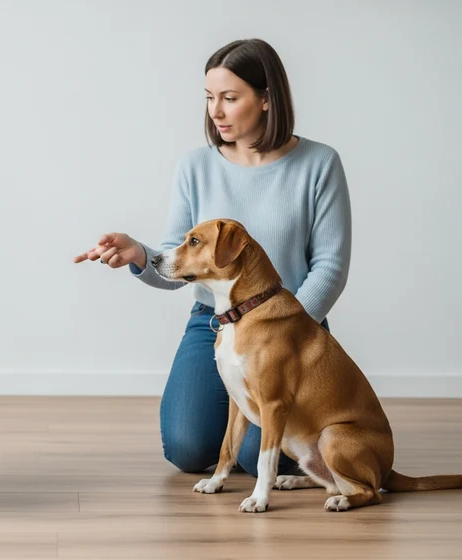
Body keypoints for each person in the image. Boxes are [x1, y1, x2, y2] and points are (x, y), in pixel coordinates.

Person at [74, 38, 351, 478]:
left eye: (229, 98)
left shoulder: (319, 163)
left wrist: (286, 326)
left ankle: (301, 445)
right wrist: (140, 254)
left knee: (250, 455)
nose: (215, 112)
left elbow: (330, 268)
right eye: (209, 98)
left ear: (266, 99)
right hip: (214, 326)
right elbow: (176, 266)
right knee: (186, 449)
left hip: (292, 331)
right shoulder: (195, 166)